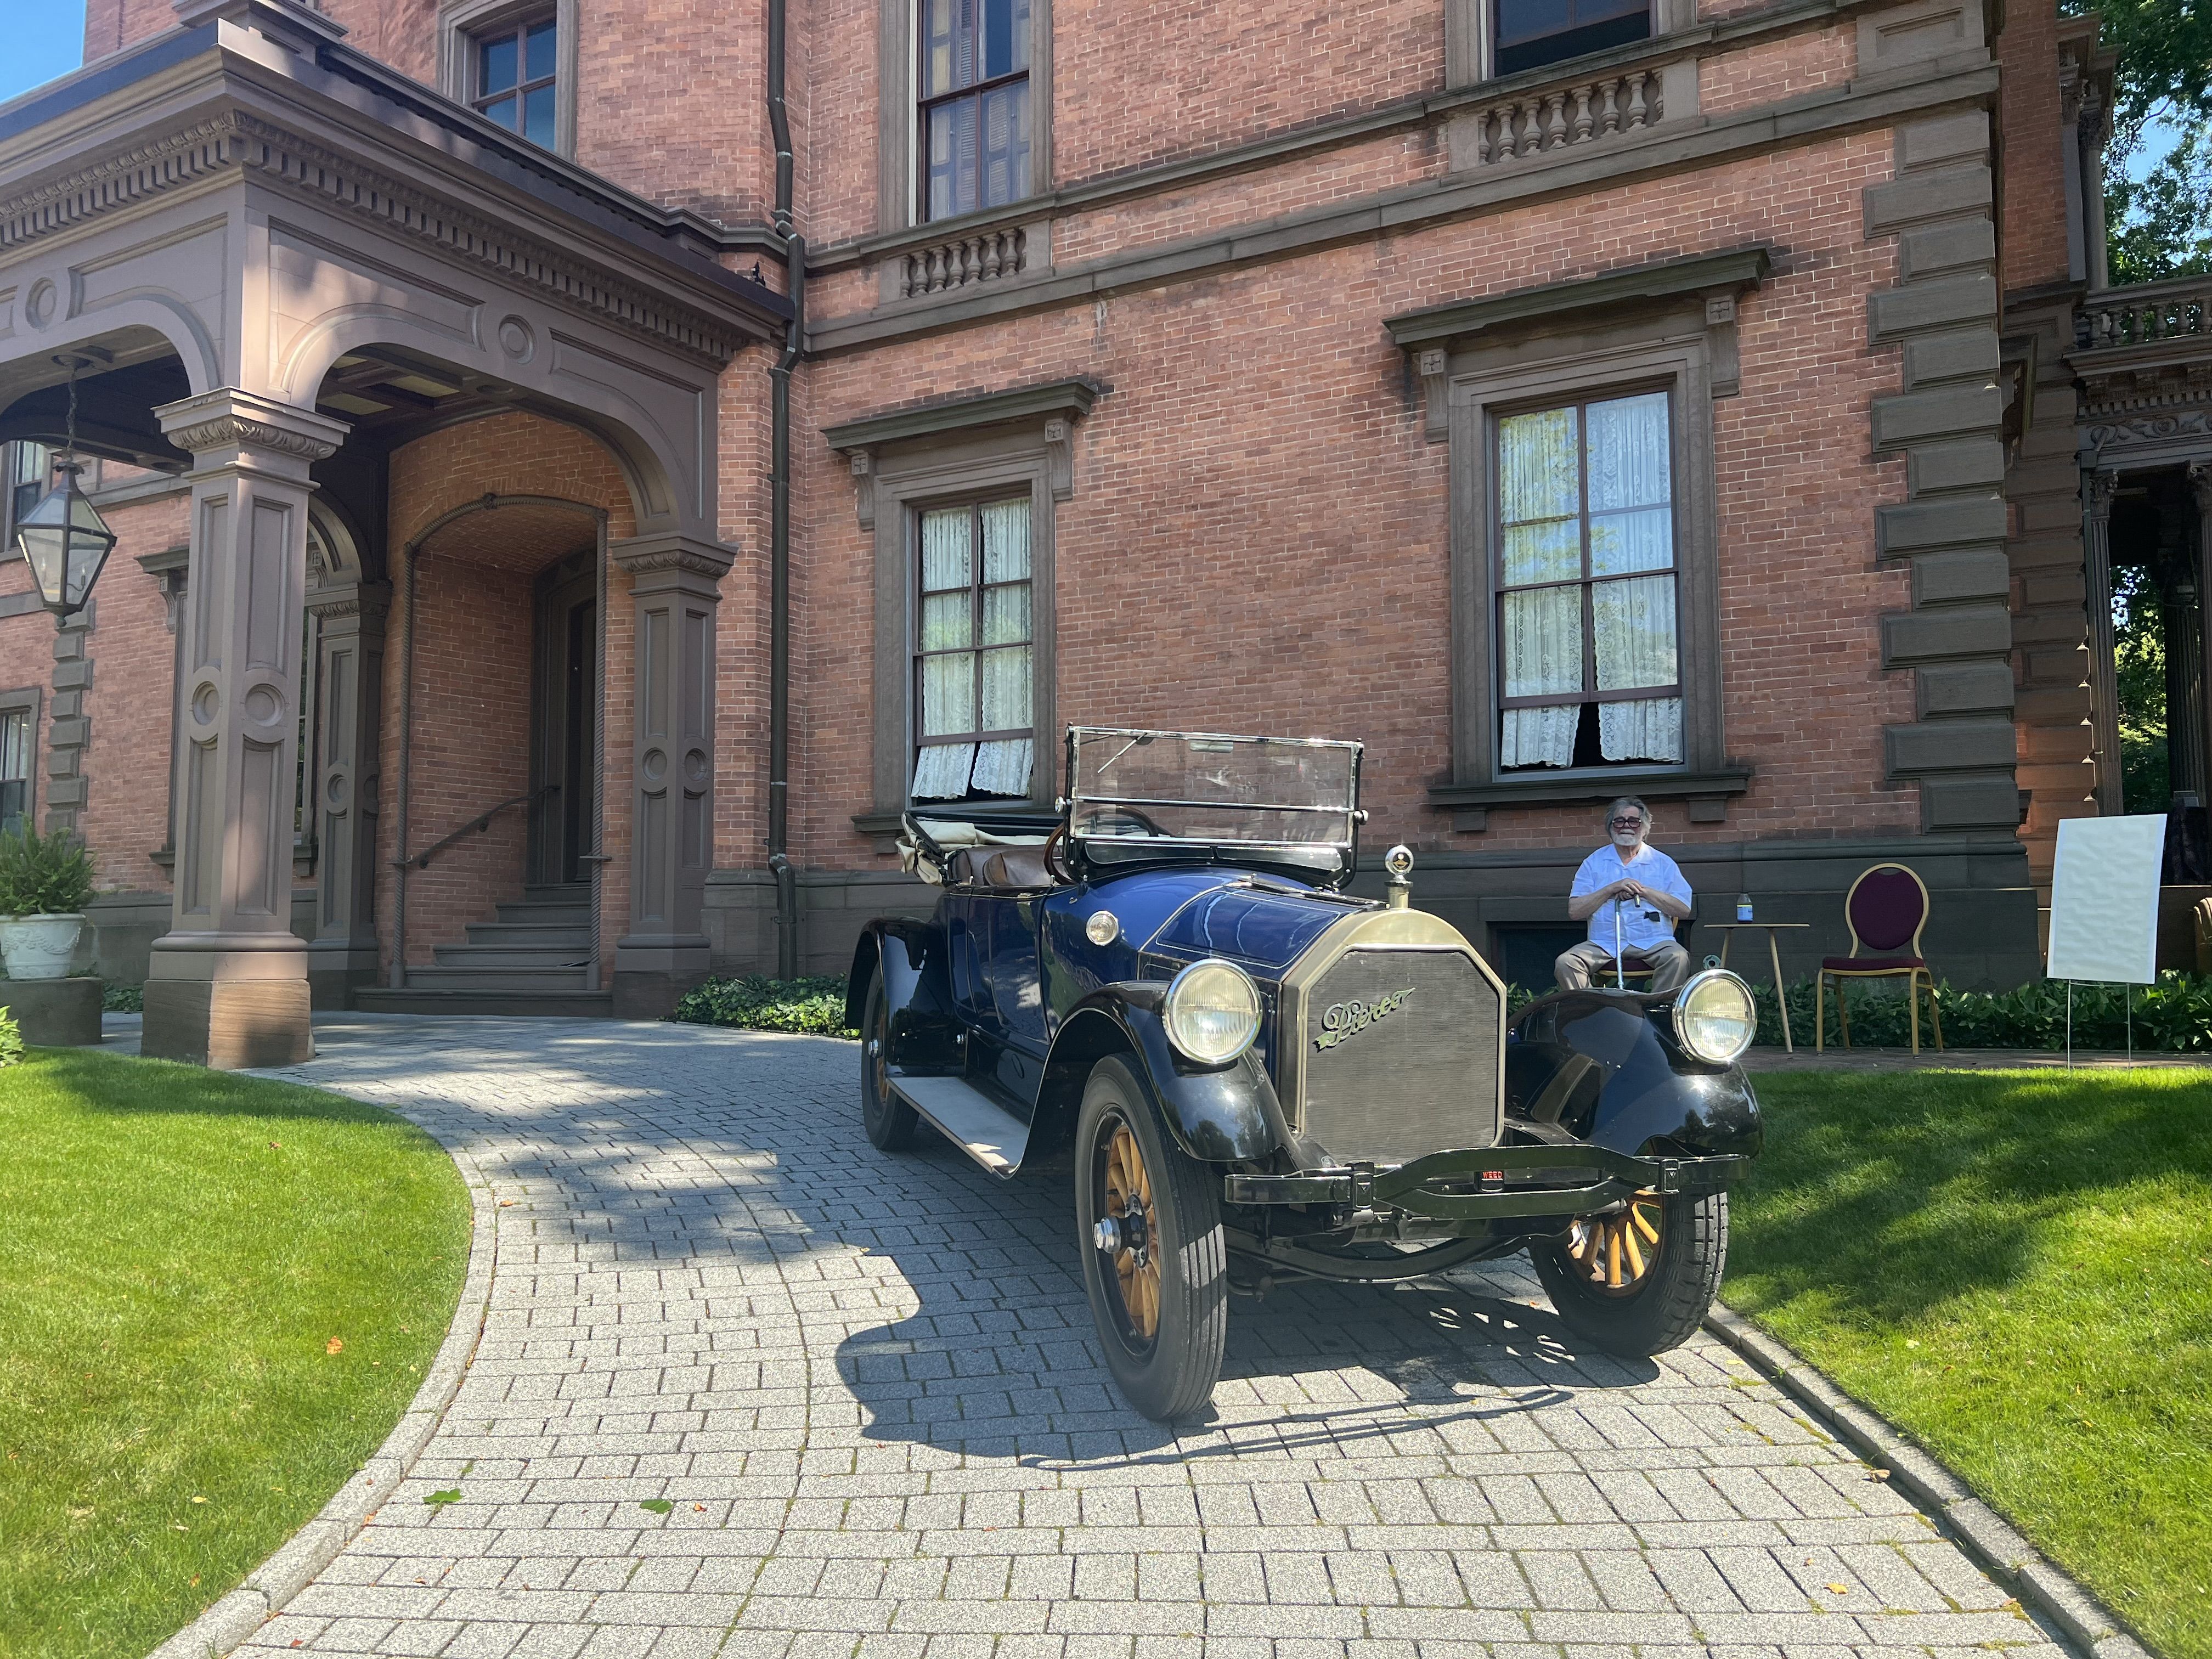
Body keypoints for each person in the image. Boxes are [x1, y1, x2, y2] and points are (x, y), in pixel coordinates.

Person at [1555, 795, 1693, 992]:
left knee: (1678, 958)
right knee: (1566, 963)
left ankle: (1655, 1012)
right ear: (1610, 827)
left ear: (1644, 828)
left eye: (1634, 821)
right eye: (1619, 821)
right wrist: (1611, 889)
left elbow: (1684, 909)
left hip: (1652, 941)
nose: (1626, 826)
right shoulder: (1594, 863)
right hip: (1604, 942)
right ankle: (1593, 1009)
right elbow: (1575, 911)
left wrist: (1644, 892)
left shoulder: (1662, 863)